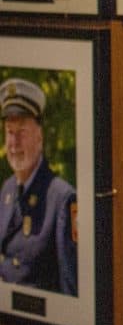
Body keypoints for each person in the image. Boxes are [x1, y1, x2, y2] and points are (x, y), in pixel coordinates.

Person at [0, 78, 77, 295]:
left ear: (39, 137)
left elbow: (70, 289)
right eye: (9, 132)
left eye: (22, 132)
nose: (14, 143)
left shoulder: (63, 199)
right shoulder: (7, 190)